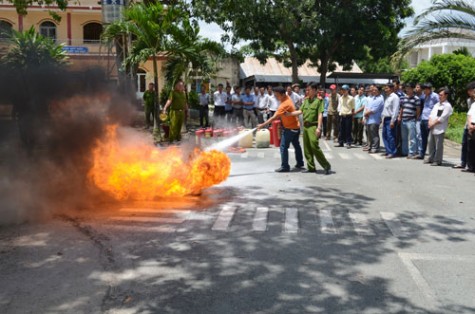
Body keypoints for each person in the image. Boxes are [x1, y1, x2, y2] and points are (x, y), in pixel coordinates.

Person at [257, 86, 304, 173]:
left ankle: (285, 166)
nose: (276, 97)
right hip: (295, 127)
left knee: (283, 147)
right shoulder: (287, 98)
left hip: (290, 129)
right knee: (296, 145)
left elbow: (273, 118)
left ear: (282, 94)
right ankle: (300, 163)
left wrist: (262, 125)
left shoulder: (284, 105)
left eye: (277, 95)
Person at [286, 84, 331, 174]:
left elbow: (320, 114)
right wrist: (289, 114)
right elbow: (300, 111)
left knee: (314, 146)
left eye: (309, 90)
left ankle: (326, 165)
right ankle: (311, 167)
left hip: (313, 126)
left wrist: (319, 127)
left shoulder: (319, 101)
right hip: (305, 127)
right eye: (306, 90)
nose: (307, 91)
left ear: (314, 90)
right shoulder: (306, 101)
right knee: (307, 148)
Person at [424, 87, 453, 166]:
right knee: (430, 143)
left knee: (438, 145)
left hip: (440, 128)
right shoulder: (437, 104)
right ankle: (431, 158)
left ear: (446, 95)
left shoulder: (447, 106)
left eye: (441, 95)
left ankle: (437, 160)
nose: (439, 96)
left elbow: (442, 118)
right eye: (439, 95)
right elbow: (431, 114)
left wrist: (433, 123)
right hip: (432, 127)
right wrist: (430, 122)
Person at [453, 81, 475, 169]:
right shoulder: (469, 100)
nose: (468, 92)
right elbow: (469, 113)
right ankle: (463, 162)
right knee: (465, 144)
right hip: (468, 124)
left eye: (470, 90)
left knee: (471, 147)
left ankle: (470, 165)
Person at [398, 82, 421, 158]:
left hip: (411, 120)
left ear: (412, 89)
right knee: (404, 138)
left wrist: (416, 118)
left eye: (409, 88)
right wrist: (400, 117)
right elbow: (402, 108)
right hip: (403, 120)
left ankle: (411, 152)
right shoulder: (403, 98)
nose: (407, 90)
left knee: (412, 138)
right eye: (406, 88)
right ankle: (405, 152)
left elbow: (418, 110)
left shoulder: (416, 98)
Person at [419, 83, 439, 159]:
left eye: (426, 89)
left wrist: (437, 118)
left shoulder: (435, 96)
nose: (425, 91)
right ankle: (422, 153)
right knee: (423, 138)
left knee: (430, 139)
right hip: (423, 118)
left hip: (430, 119)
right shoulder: (424, 96)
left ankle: (433, 155)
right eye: (424, 89)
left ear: (430, 89)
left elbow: (439, 106)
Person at [364, 85, 385, 153]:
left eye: (375, 90)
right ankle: (371, 146)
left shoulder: (380, 99)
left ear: (379, 91)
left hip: (375, 119)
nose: (374, 91)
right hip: (369, 119)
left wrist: (366, 113)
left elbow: (374, 110)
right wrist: (366, 114)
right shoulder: (372, 98)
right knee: (369, 134)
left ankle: (375, 147)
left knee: (374, 134)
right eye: (373, 90)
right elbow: (368, 107)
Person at [381, 83, 400, 158]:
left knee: (390, 136)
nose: (385, 90)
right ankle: (388, 150)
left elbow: (395, 110)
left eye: (387, 88)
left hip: (391, 119)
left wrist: (392, 121)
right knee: (384, 135)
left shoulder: (395, 97)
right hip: (385, 118)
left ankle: (392, 152)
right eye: (385, 88)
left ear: (391, 89)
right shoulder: (388, 97)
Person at [465, 102, 475, 172]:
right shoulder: (473, 104)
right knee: (470, 148)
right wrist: (469, 125)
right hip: (471, 126)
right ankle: (470, 166)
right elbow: (469, 115)